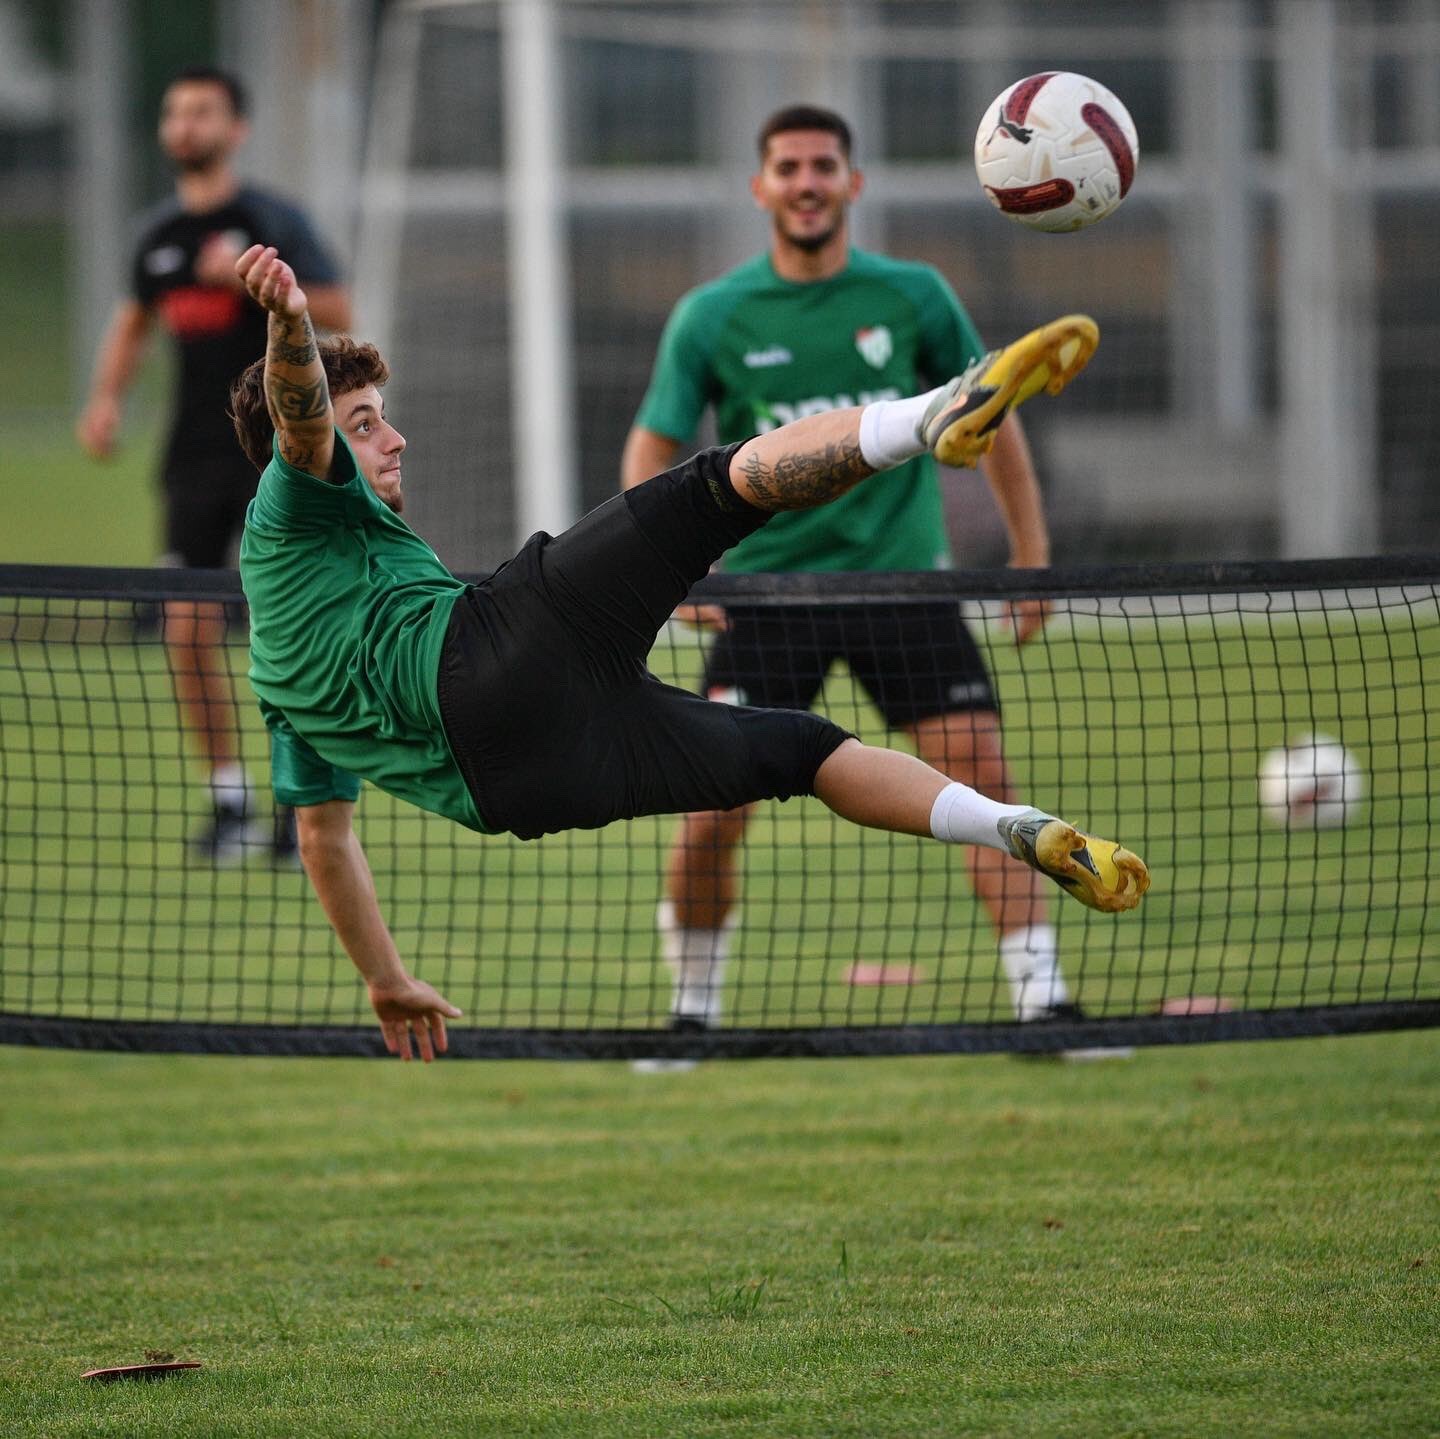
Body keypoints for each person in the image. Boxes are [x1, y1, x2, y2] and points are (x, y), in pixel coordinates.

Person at [229, 241, 1147, 1063]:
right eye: (364, 423)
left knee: (800, 751)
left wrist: (385, 978)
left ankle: (1011, 825)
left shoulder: (279, 670)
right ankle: (931, 416)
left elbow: (324, 838)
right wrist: (291, 320)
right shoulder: (293, 501)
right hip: (485, 654)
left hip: (529, 787)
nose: (390, 437)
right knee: (717, 483)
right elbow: (304, 419)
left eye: (382, 415)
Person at [621, 104, 1100, 1062]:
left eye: (823, 165)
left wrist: (1030, 554)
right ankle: (690, 1017)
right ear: (761, 188)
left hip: (904, 588)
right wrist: (665, 568)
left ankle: (1045, 1006)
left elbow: (993, 409)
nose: (806, 182)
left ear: (853, 183)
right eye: (788, 166)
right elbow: (652, 446)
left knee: (987, 782)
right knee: (715, 809)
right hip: (766, 595)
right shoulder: (712, 314)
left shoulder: (914, 294)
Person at [76, 65, 352, 866]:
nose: (185, 124)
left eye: (202, 111)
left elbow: (336, 308)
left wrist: (252, 279)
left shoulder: (270, 220)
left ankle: (297, 806)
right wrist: (105, 400)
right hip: (193, 458)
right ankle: (228, 800)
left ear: (237, 130)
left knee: (289, 626)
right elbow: (133, 323)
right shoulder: (158, 235)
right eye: (174, 110)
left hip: (277, 451)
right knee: (186, 627)